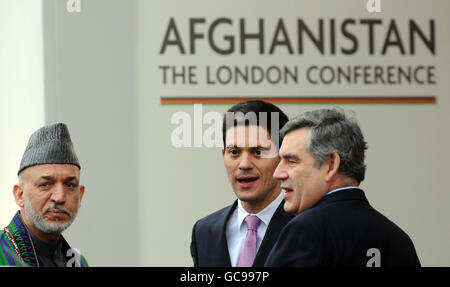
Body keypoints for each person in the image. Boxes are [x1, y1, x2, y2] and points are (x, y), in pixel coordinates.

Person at [265, 108, 421, 267]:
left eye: (291, 161)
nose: (278, 174)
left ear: (331, 164)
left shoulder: (306, 230)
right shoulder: (398, 239)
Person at [190, 100, 293, 267]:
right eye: (234, 152)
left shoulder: (307, 226)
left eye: (258, 152)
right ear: (223, 155)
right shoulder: (204, 231)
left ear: (282, 157)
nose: (244, 164)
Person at [0, 123, 88, 267]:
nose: (59, 197)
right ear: (20, 195)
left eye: (70, 185)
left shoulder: (78, 262)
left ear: (80, 195)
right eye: (45, 185)